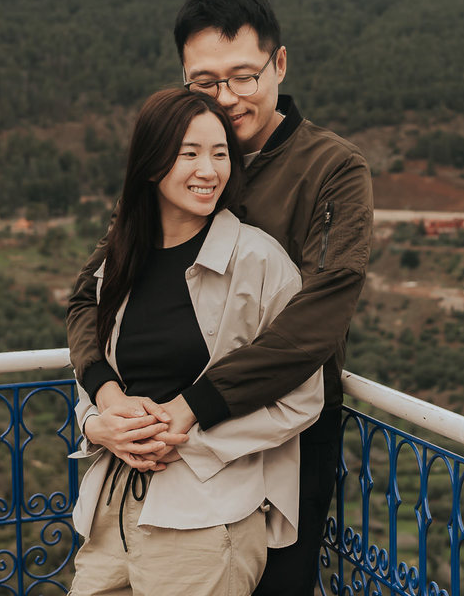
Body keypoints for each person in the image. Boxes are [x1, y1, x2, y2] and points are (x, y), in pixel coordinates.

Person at [67, 0, 373, 594]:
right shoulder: (167, 179)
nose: (226, 98)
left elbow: (315, 320)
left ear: (278, 66)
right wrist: (104, 398)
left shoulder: (331, 168)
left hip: (281, 424)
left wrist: (193, 408)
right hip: (155, 455)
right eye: (204, 84)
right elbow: (89, 295)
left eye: (243, 77)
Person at [67, 88, 324, 596]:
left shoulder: (259, 261)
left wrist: (186, 440)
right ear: (150, 163)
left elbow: (301, 395)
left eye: (220, 153)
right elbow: (100, 366)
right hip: (111, 512)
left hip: (207, 522)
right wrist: (100, 422)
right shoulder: (121, 258)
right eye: (189, 153)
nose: (208, 170)